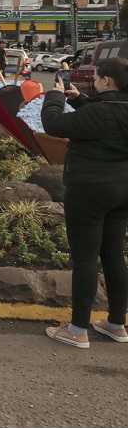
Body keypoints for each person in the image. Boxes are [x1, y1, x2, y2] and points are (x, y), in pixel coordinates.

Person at [41, 56, 128, 348]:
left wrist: (54, 95)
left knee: (86, 258)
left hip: (89, 190)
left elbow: (53, 124)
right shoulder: (118, 107)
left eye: (96, 77)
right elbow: (105, 117)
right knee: (115, 255)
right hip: (123, 190)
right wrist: (80, 100)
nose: (93, 81)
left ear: (106, 81)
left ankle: (77, 330)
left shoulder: (100, 112)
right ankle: (117, 324)